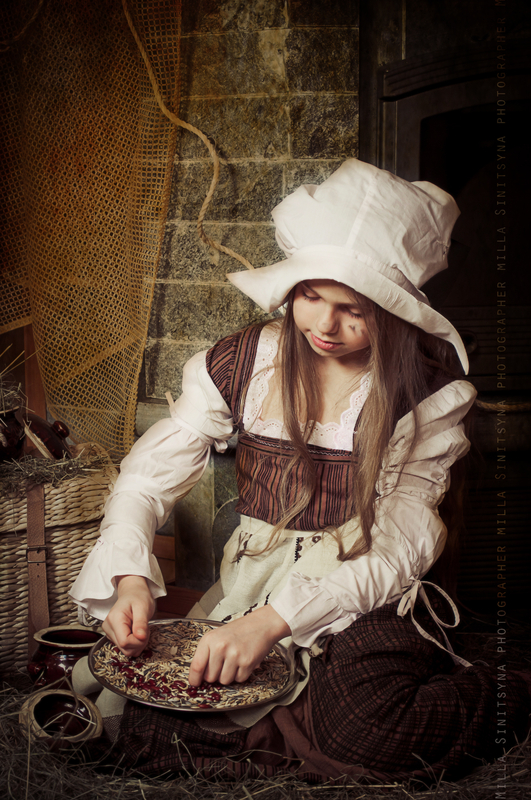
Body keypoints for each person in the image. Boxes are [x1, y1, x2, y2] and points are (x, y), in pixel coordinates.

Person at [70, 159, 530, 782]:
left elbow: (397, 548)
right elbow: (149, 476)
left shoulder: (425, 395)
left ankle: (513, 685)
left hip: (366, 588)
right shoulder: (243, 362)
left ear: (392, 310)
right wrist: (129, 576)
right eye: (310, 296)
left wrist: (272, 623)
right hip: (253, 583)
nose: (325, 326)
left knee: (367, 729)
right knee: (153, 706)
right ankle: (294, 721)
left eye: (353, 310)